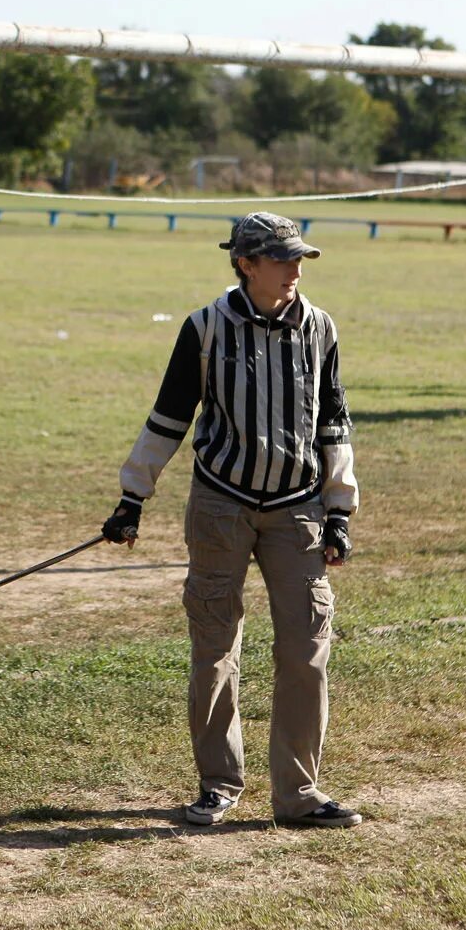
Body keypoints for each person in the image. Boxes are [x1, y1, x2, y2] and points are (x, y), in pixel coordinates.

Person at [100, 212, 364, 830]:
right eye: (282, 259)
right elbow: (169, 416)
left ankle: (298, 795)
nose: (296, 270)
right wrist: (132, 496)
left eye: (299, 259)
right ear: (245, 264)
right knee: (215, 646)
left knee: (306, 648)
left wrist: (340, 509)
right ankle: (219, 784)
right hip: (220, 506)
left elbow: (334, 422)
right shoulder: (204, 329)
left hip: (297, 509)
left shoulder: (321, 329)